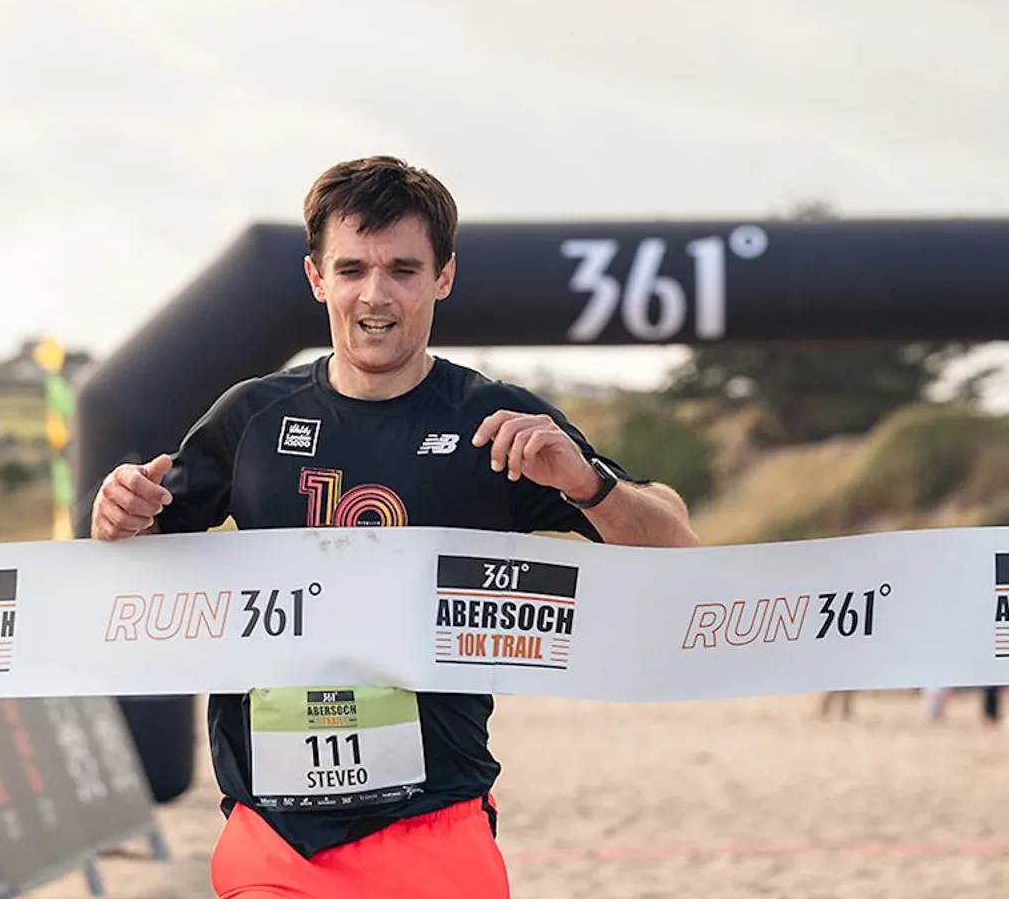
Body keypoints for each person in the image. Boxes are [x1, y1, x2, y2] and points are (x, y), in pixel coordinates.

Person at [90, 156, 701, 899]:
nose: (375, 294)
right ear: (316, 278)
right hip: (274, 839)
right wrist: (118, 519)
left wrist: (587, 483)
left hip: (435, 824)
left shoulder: (494, 422)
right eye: (351, 269)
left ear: (444, 276)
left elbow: (677, 549)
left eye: (403, 270)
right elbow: (141, 563)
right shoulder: (252, 417)